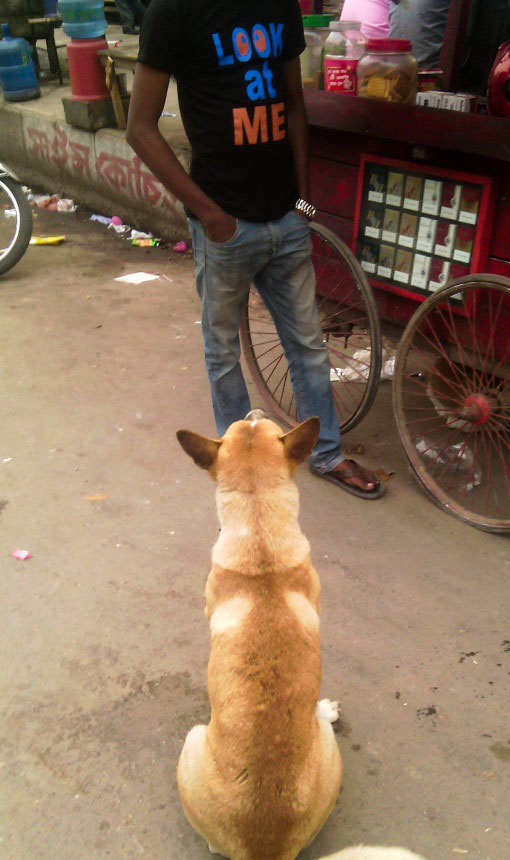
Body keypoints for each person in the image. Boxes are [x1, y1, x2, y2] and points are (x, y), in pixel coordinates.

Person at [126, 0, 385, 499]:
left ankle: (326, 454)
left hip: (285, 218)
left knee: (308, 346)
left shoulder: (279, 4)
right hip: (224, 224)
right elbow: (140, 127)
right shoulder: (174, 12)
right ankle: (242, 466)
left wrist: (302, 199)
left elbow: (293, 103)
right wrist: (212, 216)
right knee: (222, 352)